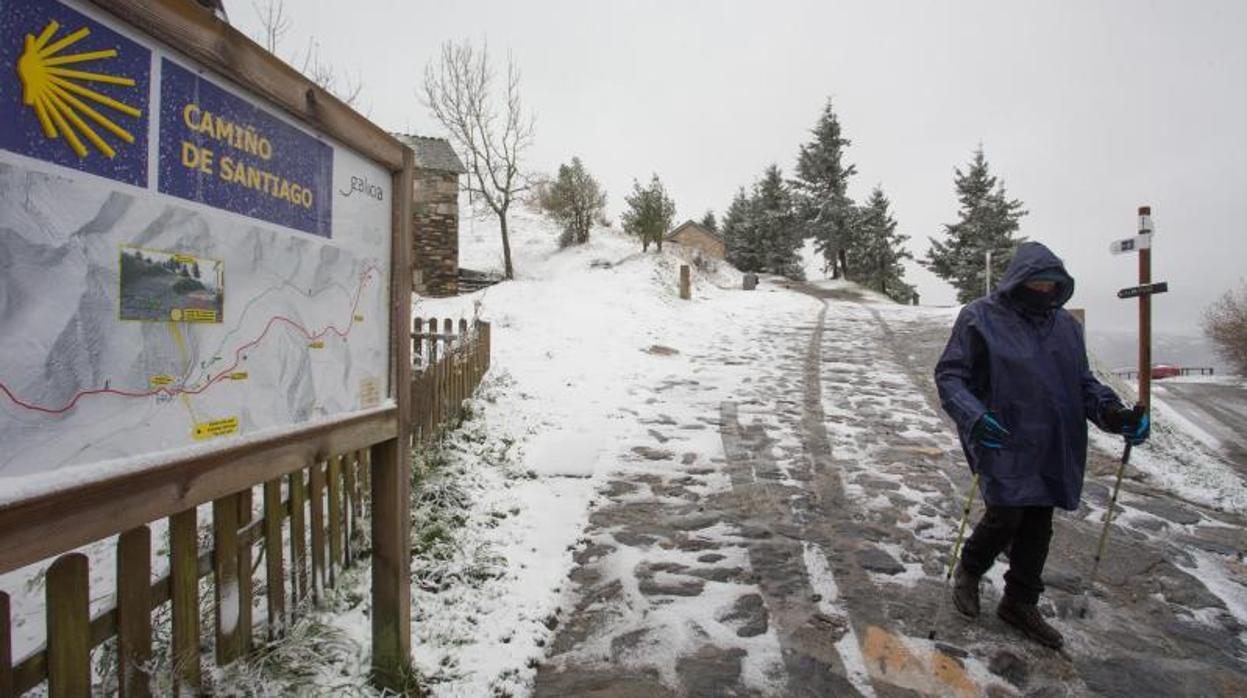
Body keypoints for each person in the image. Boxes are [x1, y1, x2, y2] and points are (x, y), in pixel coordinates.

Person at [934, 241, 1149, 649]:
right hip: (1002, 434)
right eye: (1036, 283)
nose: (1044, 291)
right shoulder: (980, 317)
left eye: (1052, 284)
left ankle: (1020, 602)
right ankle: (970, 569)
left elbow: (1083, 383)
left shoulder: (1066, 326)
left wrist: (1114, 414)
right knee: (1006, 514)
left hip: (1055, 439)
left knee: (1038, 523)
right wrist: (973, 415)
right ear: (1018, 280)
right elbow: (951, 376)